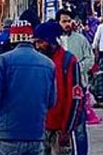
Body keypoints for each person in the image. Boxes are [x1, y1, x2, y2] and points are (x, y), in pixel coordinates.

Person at [0, 20, 56, 155]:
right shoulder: (48, 64)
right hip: (36, 134)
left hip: (9, 134)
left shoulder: (3, 61)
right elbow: (51, 100)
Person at [33, 22, 83, 155]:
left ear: (50, 41)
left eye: (40, 42)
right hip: (41, 128)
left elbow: (75, 99)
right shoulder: (38, 60)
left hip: (61, 128)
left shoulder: (69, 61)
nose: (37, 46)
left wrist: (67, 129)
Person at [58, 9, 92, 154]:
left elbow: (90, 58)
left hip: (77, 87)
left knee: (79, 126)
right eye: (63, 21)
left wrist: (77, 68)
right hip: (59, 89)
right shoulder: (55, 41)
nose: (66, 24)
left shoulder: (80, 39)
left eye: (68, 21)